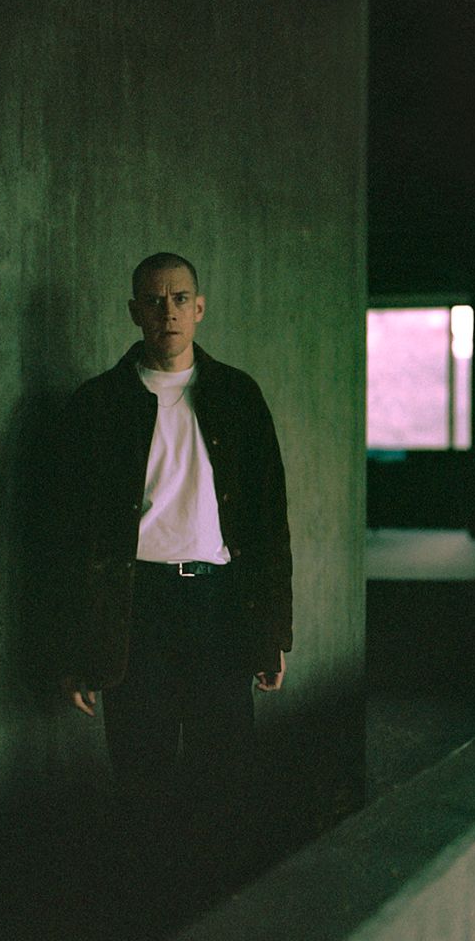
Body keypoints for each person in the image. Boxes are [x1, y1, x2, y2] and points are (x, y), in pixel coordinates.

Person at [45, 251, 292, 901]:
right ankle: (152, 906)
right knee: (141, 774)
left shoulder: (237, 396)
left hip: (218, 602)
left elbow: (268, 522)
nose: (168, 312)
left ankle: (222, 903)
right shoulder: (97, 405)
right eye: (154, 301)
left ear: (199, 307)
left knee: (225, 771)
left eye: (180, 298)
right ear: (135, 312)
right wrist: (77, 650)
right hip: (138, 608)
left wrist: (272, 633)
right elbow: (68, 539)